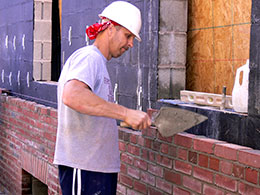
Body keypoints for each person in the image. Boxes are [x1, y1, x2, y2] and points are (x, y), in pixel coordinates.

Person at [53, 1, 151, 195]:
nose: (131, 44)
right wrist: (125, 113)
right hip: (84, 168)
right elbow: (72, 95)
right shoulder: (90, 57)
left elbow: (90, 107)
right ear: (110, 29)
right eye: (128, 35)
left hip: (97, 170)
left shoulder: (97, 62)